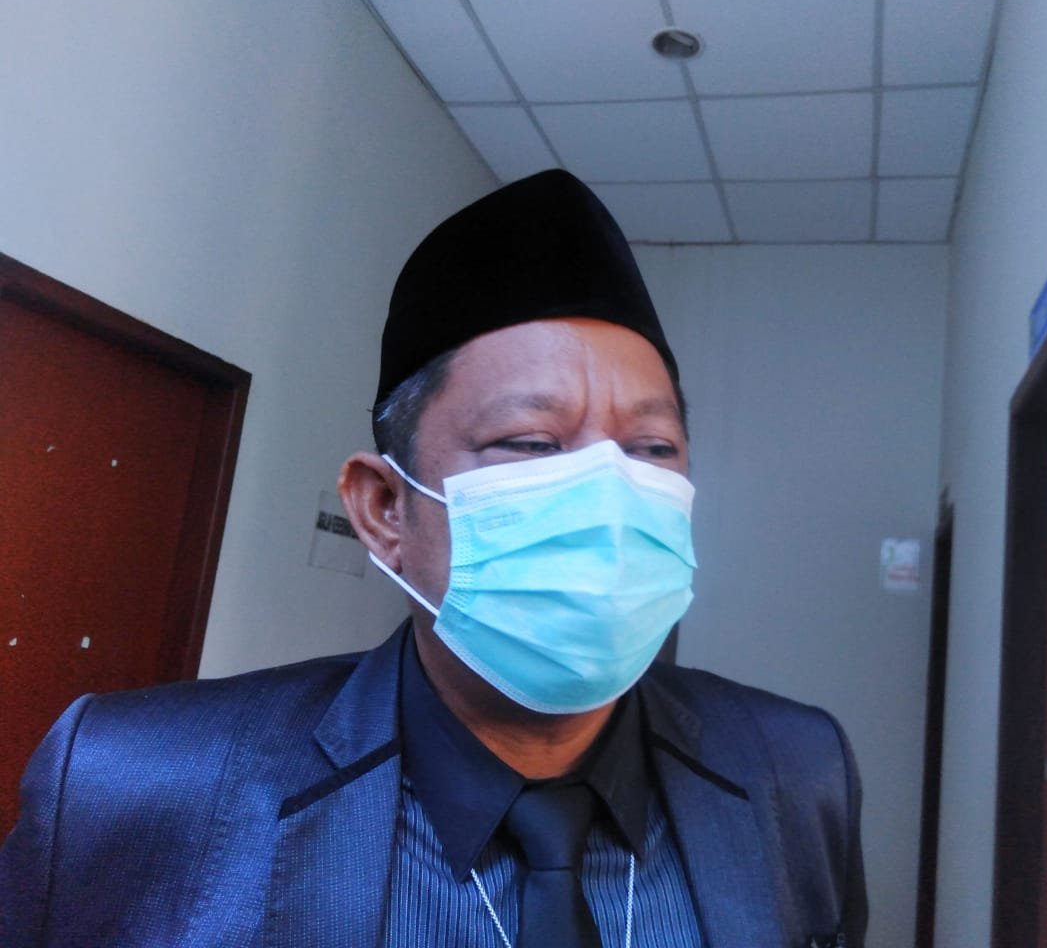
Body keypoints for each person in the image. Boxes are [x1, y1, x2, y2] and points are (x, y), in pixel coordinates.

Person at [0, 170, 867, 947]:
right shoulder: (134, 784)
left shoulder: (795, 767)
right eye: (531, 443)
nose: (609, 497)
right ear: (384, 509)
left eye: (652, 450)